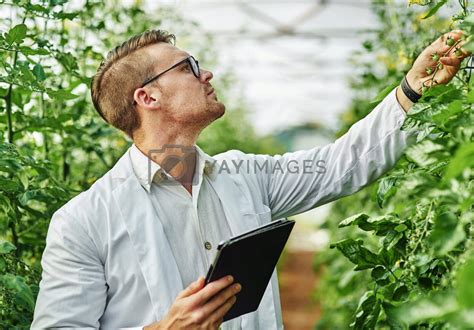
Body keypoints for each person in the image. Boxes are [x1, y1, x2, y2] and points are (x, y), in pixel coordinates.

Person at [31, 29, 468, 329]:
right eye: (189, 66)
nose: (207, 74)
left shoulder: (244, 176)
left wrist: (412, 88)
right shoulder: (83, 222)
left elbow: (343, 164)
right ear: (148, 97)